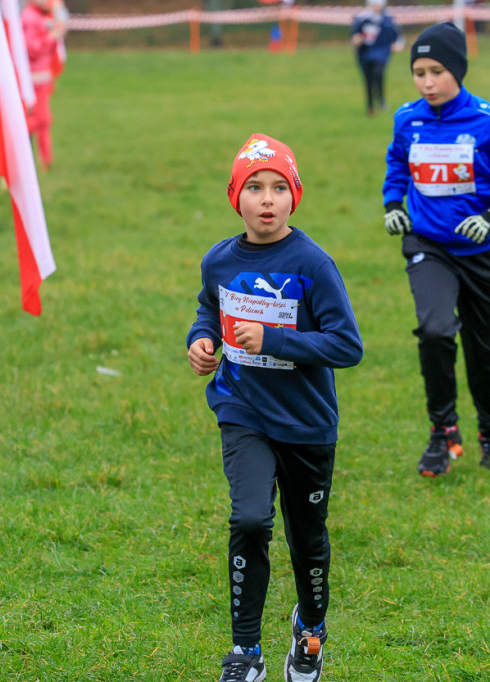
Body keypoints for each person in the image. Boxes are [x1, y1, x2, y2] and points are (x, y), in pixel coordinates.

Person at [187, 134, 363, 682]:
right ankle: (246, 653)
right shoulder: (219, 260)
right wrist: (201, 341)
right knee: (249, 519)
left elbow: (347, 346)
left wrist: (276, 341)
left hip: (307, 424)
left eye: (279, 188)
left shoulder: (312, 263)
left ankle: (309, 632)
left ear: (295, 197)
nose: (267, 200)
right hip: (243, 412)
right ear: (235, 196)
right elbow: (206, 309)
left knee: (307, 538)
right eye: (255, 188)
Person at [381, 22, 490, 477]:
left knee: (482, 347)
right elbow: (397, 163)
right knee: (434, 330)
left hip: (483, 254)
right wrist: (394, 202)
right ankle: (441, 432)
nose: (427, 82)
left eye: (436, 71)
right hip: (428, 245)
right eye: (418, 72)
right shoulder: (406, 119)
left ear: (458, 71)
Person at [22, 0, 66, 170]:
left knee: (45, 121)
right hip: (34, 78)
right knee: (41, 119)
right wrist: (50, 37)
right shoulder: (30, 17)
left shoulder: (41, 16)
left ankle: (46, 160)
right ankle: (12, 138)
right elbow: (31, 49)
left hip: (42, 76)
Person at [350, 0, 403, 116]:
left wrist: (398, 44)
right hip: (365, 53)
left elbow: (397, 36)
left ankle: (381, 99)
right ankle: (370, 105)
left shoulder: (388, 19)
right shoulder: (361, 19)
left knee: (378, 72)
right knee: (368, 78)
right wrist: (356, 39)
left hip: (381, 52)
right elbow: (355, 35)